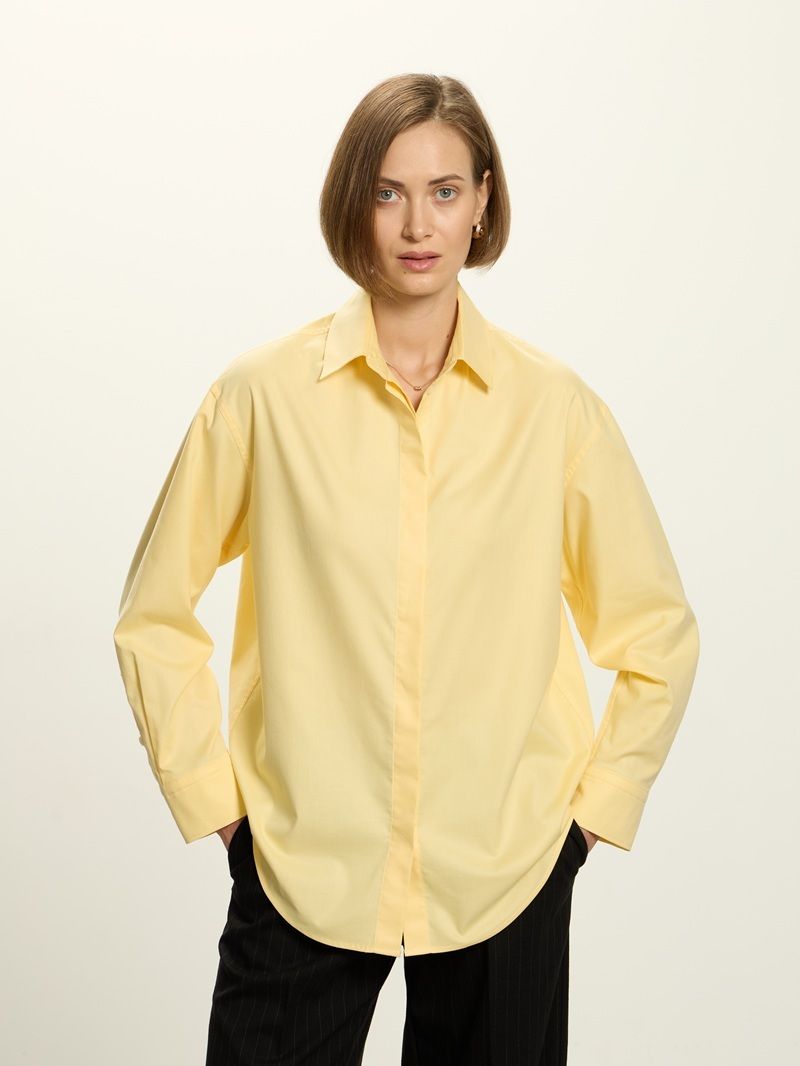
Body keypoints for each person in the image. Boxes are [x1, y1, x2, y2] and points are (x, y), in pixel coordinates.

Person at [112, 73, 700, 1065]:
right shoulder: (261, 398)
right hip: (303, 860)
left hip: (506, 867)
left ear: (482, 202)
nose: (417, 224)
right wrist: (215, 802)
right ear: (354, 202)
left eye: (444, 190)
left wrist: (591, 819)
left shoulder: (555, 410)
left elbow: (657, 633)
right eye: (388, 192)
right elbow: (153, 614)